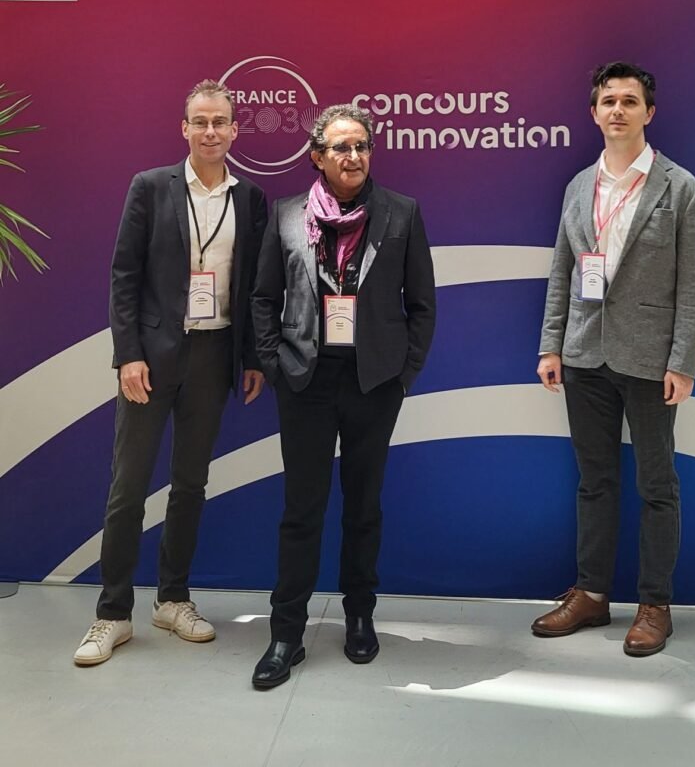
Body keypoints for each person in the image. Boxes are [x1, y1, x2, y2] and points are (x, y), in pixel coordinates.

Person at [74, 80, 267, 666]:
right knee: (128, 487)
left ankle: (172, 599)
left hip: (213, 358)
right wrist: (127, 354)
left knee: (190, 483)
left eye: (221, 122)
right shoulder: (151, 188)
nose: (211, 131)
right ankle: (111, 614)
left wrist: (252, 358)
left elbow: (255, 287)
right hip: (150, 360)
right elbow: (123, 278)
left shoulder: (250, 200)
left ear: (235, 131)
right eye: (200, 121)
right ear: (183, 128)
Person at [251, 103, 436, 689]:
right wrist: (276, 366)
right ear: (317, 156)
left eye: (361, 146)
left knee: (364, 508)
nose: (352, 157)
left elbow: (422, 306)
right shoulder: (285, 215)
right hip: (304, 382)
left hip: (373, 385)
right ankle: (286, 633)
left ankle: (360, 616)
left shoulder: (402, 212)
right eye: (340, 148)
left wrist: (401, 376)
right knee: (301, 511)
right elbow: (262, 300)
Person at [532, 62, 695, 656]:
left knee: (657, 485)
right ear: (594, 112)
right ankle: (591, 594)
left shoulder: (680, 187)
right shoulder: (578, 186)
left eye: (629, 101)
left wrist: (683, 362)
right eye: (608, 101)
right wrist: (551, 344)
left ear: (648, 113)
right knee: (594, 482)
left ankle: (654, 604)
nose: (617, 111)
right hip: (584, 356)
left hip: (650, 360)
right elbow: (562, 269)